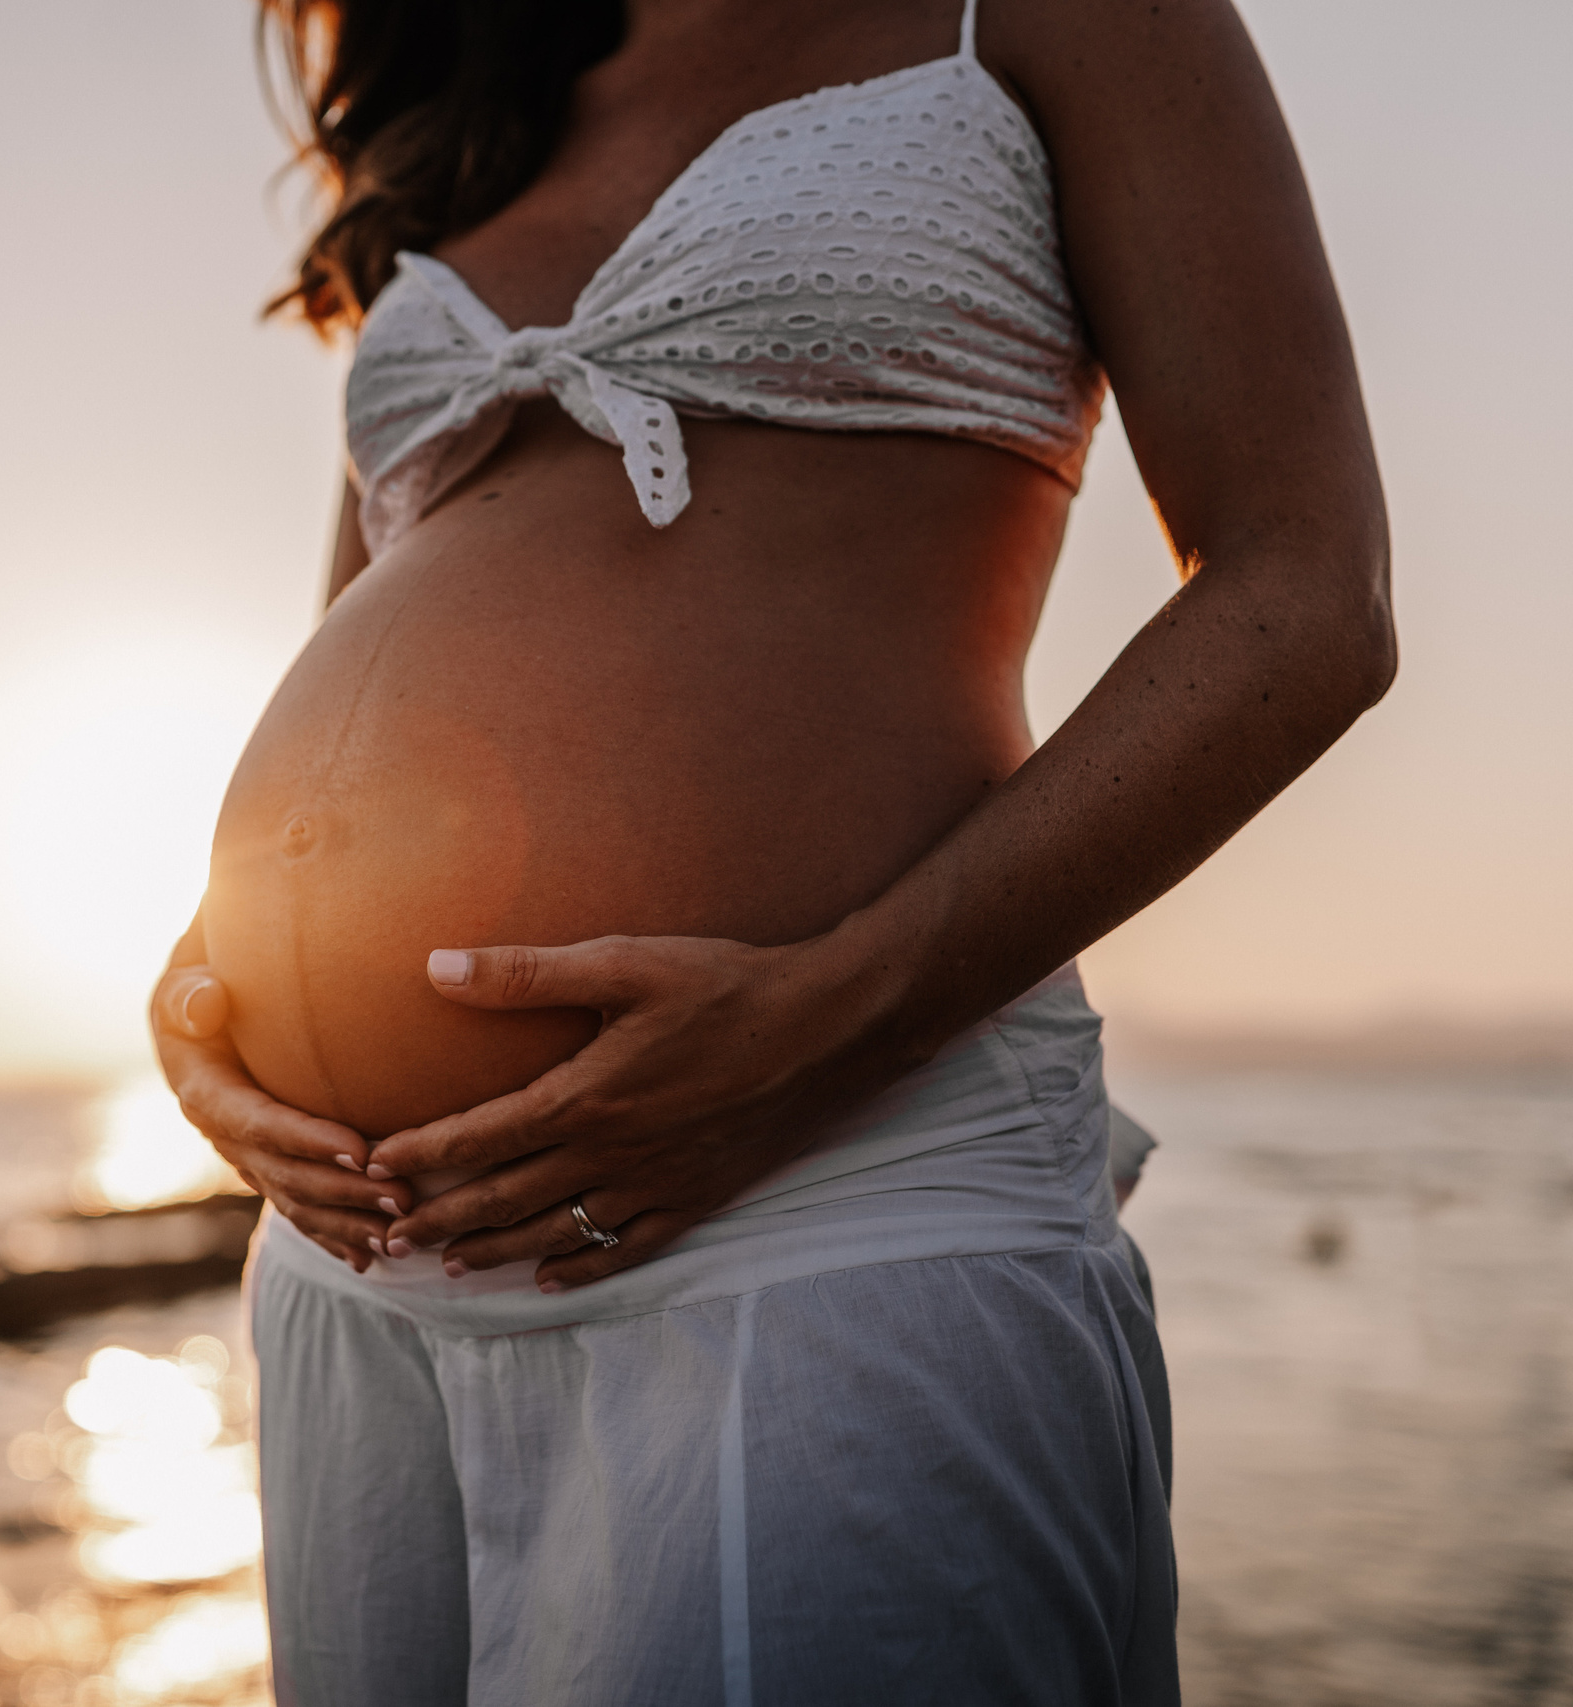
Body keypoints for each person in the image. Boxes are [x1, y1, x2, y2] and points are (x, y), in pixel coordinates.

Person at [150, 0, 1391, 1698]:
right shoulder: (477, 105)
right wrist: (211, 979)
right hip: (350, 1276)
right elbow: (362, 634)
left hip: (829, 1208)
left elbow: (1306, 592)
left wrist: (844, 1010)